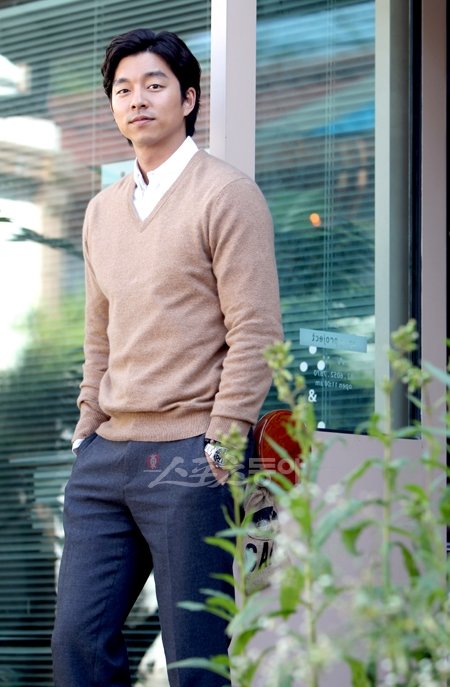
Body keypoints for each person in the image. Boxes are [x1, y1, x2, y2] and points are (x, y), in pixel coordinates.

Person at [51, 27, 282, 687]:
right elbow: (100, 332)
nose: (137, 99)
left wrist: (223, 436)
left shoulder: (226, 194)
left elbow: (257, 328)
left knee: (195, 656)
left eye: (154, 85)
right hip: (105, 457)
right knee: (77, 642)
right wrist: (87, 425)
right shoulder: (102, 211)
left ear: (188, 99)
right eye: (123, 89)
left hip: (190, 455)